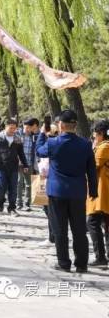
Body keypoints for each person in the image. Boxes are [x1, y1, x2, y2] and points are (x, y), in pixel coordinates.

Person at [36, 109, 97, 273]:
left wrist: (43, 133)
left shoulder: (53, 142)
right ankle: (81, 264)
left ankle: (64, 263)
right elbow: (91, 170)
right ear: (75, 125)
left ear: (61, 125)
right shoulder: (85, 144)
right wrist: (94, 191)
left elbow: (38, 151)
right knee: (79, 230)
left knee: (60, 230)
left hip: (57, 192)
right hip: (78, 192)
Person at [0, 119, 29, 216]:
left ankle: (12, 208)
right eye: (10, 128)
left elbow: (21, 153)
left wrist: (25, 164)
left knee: (13, 188)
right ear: (5, 126)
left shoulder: (17, 139)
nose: (12, 130)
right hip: (1, 167)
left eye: (14, 128)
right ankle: (1, 201)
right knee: (1, 187)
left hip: (14, 167)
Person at [87, 119, 109, 267]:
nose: (94, 136)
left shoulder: (104, 147)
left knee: (92, 221)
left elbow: (93, 166)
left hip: (102, 190)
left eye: (95, 133)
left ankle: (100, 256)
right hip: (102, 190)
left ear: (100, 133)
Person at [18, 118, 39, 211]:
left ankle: (27, 204)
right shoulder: (18, 135)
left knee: (28, 184)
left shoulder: (33, 137)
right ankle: (19, 203)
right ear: (23, 126)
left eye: (28, 128)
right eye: (25, 127)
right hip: (18, 163)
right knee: (19, 182)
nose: (27, 129)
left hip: (29, 163)